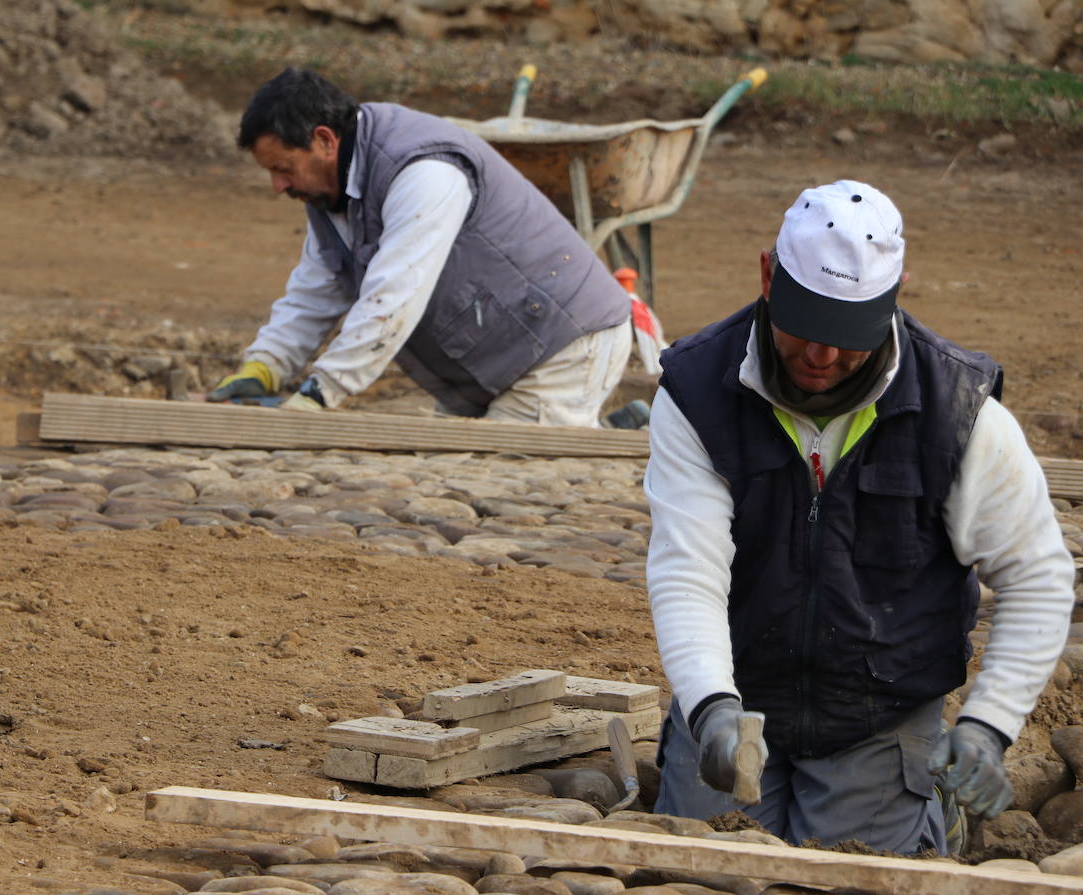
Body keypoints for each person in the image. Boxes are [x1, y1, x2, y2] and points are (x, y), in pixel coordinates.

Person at [643, 179, 1073, 855]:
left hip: (878, 710)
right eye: (804, 326)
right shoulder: (699, 391)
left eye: (848, 336)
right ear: (767, 275)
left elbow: (1039, 578)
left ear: (893, 299)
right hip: (741, 691)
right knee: (703, 873)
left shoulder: (959, 414)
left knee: (840, 882)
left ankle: (934, 815)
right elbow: (686, 566)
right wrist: (709, 706)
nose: (822, 356)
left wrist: (989, 727)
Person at [207, 67, 634, 427]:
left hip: (562, 347)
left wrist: (320, 394)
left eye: (283, 169)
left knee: (495, 477)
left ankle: (626, 438)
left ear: (324, 140)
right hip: (504, 358)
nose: (277, 186)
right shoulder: (329, 193)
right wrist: (264, 367)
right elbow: (315, 289)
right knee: (466, 464)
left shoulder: (423, 170)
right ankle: (620, 429)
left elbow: (394, 295)